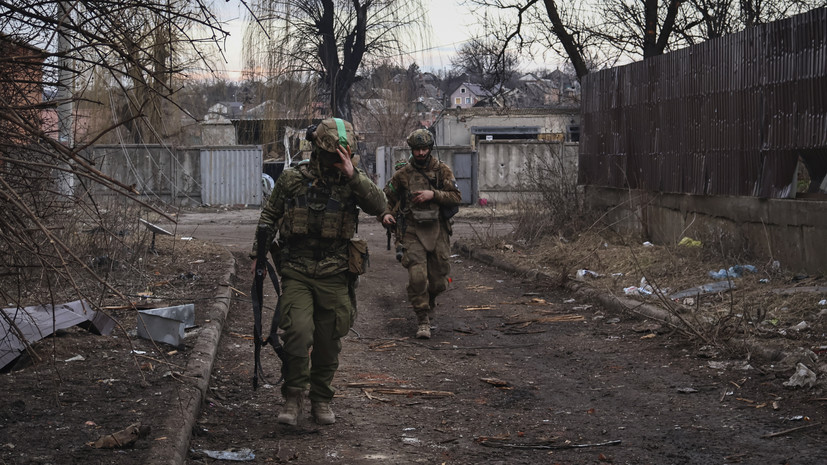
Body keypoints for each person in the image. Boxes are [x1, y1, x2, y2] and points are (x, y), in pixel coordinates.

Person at [251, 117, 386, 426]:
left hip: (336, 272)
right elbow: (270, 215)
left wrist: (353, 176)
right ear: (318, 151)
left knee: (328, 340)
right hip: (297, 270)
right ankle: (293, 397)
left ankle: (321, 399)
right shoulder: (292, 179)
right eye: (333, 154)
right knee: (297, 332)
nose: (338, 160)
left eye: (344, 154)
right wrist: (259, 250)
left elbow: (380, 205)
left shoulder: (352, 180)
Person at [381, 129, 462, 339]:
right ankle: (423, 319)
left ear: (430, 148)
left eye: (424, 148)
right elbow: (387, 198)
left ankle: (431, 299)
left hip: (438, 229)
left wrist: (432, 194)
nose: (421, 153)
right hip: (412, 230)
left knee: (439, 280)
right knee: (417, 277)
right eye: (417, 149)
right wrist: (386, 214)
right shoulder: (402, 175)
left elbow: (456, 196)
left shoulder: (442, 171)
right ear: (412, 150)